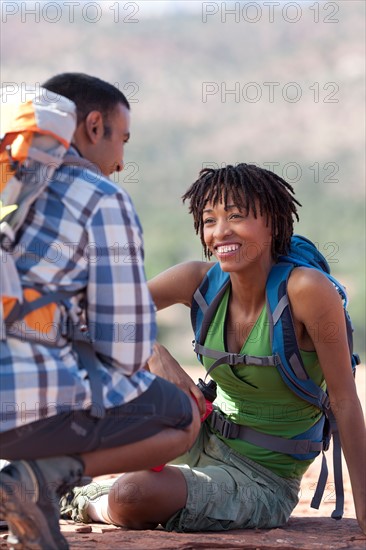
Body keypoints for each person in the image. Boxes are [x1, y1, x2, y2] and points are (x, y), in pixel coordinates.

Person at [61, 163, 366, 535]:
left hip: (262, 478)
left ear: (272, 222)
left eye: (235, 216)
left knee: (132, 494)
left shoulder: (306, 290)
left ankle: (79, 496)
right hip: (196, 436)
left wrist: (364, 514)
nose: (220, 232)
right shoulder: (199, 281)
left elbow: (345, 401)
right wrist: (153, 352)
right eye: (209, 220)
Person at [0, 73, 200, 550]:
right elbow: (124, 348)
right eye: (121, 140)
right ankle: (35, 479)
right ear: (93, 125)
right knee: (179, 417)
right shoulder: (100, 198)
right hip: (21, 409)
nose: (121, 161)